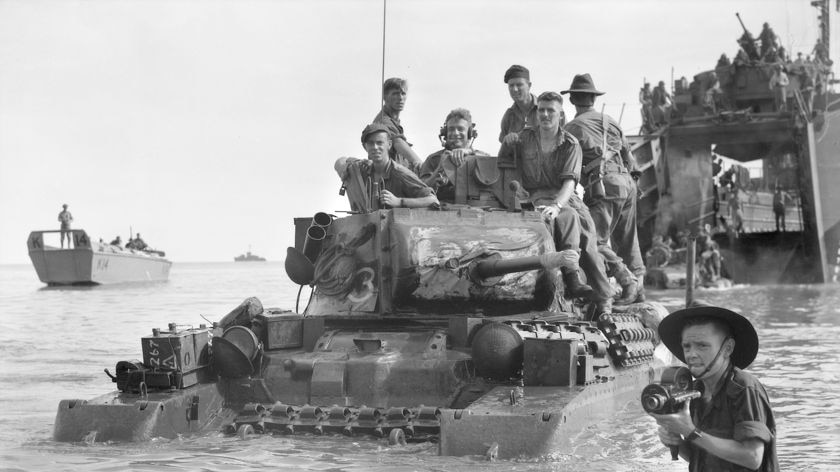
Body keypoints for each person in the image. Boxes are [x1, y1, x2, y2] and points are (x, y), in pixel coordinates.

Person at [499, 91, 614, 317]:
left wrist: (557, 206)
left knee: (588, 238)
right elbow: (503, 161)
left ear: (561, 115)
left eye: (550, 110)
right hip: (533, 196)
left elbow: (570, 182)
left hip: (564, 195)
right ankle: (566, 280)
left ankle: (603, 301)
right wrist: (507, 140)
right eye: (541, 109)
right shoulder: (525, 138)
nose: (545, 114)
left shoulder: (570, 144)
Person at [649, 304, 779, 471]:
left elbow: (752, 457)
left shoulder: (744, 388)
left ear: (727, 348)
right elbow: (698, 457)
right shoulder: (695, 391)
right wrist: (676, 441)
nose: (691, 354)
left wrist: (690, 431)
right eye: (687, 346)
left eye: (702, 345)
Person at [562, 74, 644, 305]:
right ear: (593, 99)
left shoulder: (573, 127)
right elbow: (629, 156)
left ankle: (627, 281)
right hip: (627, 183)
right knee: (628, 241)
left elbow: (564, 163)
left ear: (572, 101)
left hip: (603, 185)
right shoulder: (611, 121)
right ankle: (640, 293)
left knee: (593, 242)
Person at [335, 124, 439, 210]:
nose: (375, 147)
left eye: (379, 143)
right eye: (371, 143)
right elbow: (340, 162)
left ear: (389, 145)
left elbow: (432, 200)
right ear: (365, 146)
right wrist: (348, 166)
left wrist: (399, 201)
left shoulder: (400, 174)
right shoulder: (363, 169)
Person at [420, 108, 489, 203]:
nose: (455, 133)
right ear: (445, 133)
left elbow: (491, 164)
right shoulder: (433, 160)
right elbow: (420, 191)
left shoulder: (480, 157)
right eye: (451, 129)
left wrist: (469, 152)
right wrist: (439, 168)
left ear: (469, 133)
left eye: (460, 129)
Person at [372, 78, 423, 174]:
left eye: (403, 93)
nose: (400, 98)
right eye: (395, 93)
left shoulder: (394, 122)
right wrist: (420, 164)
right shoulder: (383, 121)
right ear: (385, 97)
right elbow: (397, 142)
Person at [498, 65, 546, 149]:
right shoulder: (509, 116)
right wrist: (508, 140)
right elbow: (504, 151)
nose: (515, 89)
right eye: (511, 86)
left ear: (529, 85)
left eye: (519, 85)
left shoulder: (548, 110)